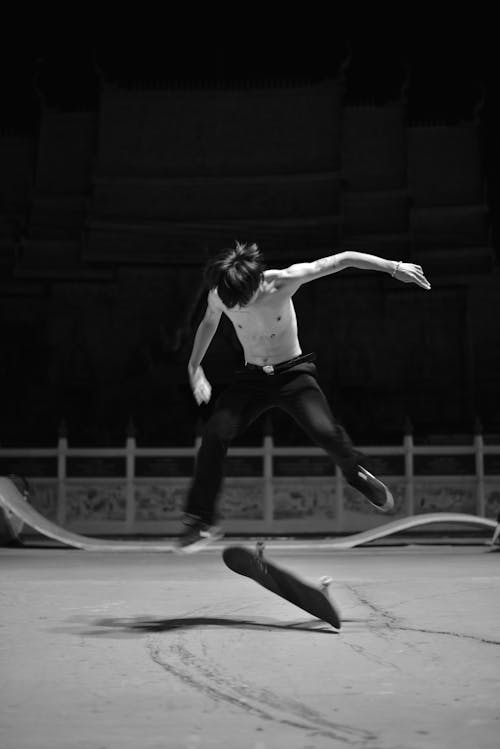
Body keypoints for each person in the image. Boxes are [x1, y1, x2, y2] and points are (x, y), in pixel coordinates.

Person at [178, 242, 431, 552]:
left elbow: (344, 259)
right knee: (215, 435)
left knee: (325, 431)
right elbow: (208, 323)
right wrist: (194, 366)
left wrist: (393, 266)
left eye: (244, 300)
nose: (240, 308)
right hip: (253, 379)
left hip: (293, 375)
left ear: (257, 283)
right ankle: (201, 520)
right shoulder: (221, 294)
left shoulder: (284, 280)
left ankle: (356, 474)